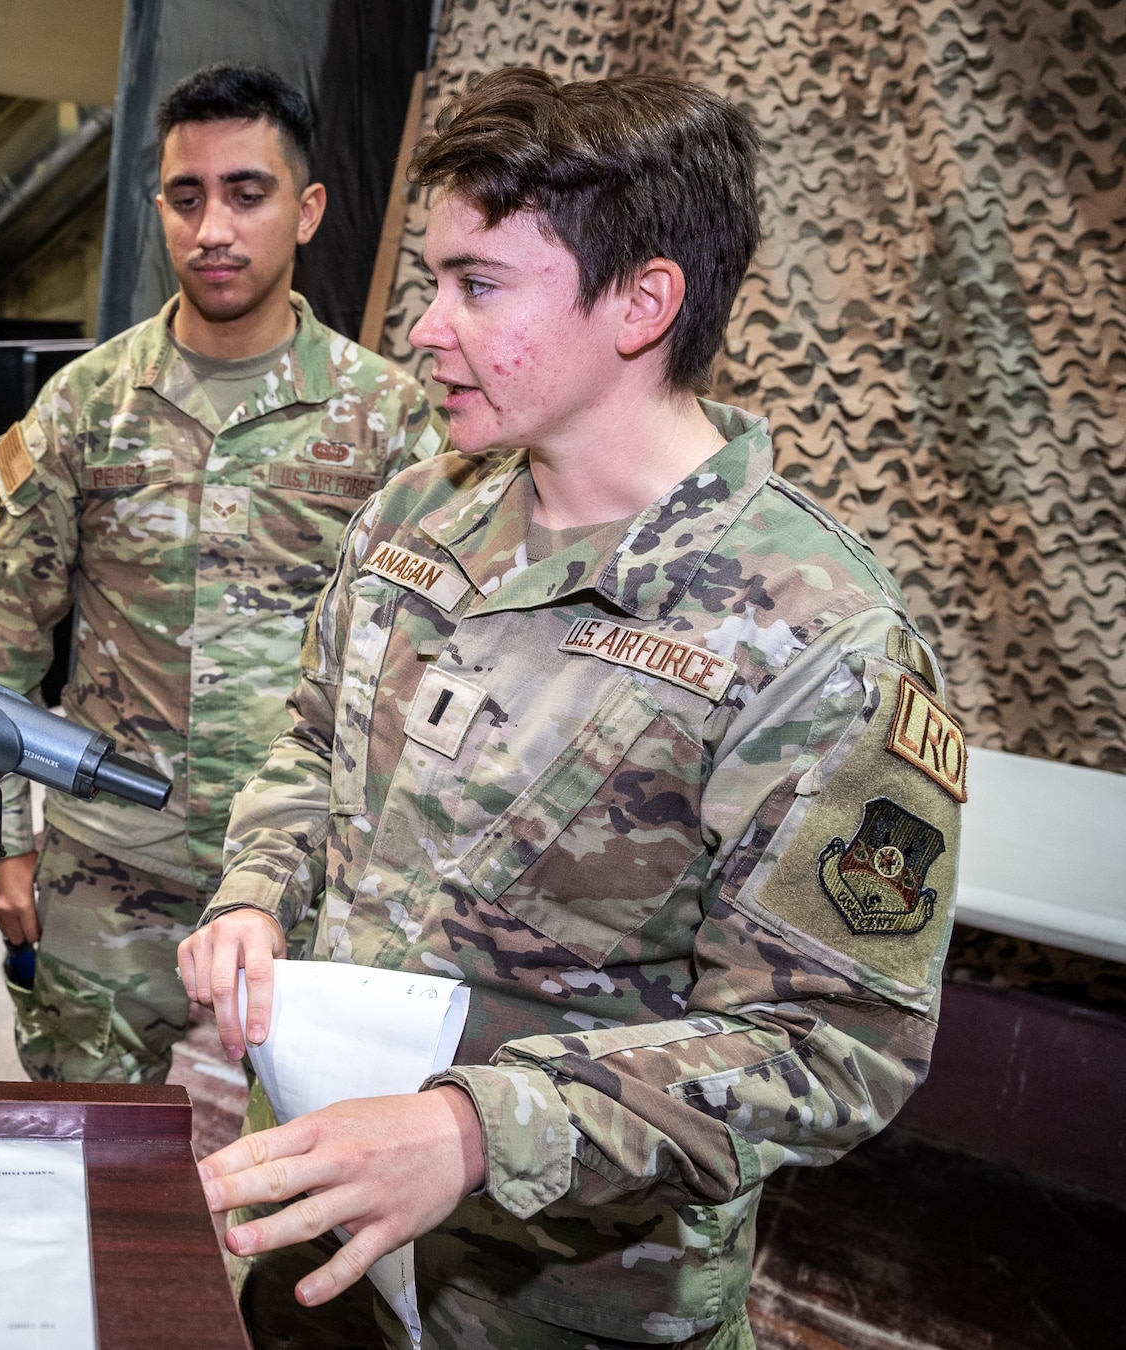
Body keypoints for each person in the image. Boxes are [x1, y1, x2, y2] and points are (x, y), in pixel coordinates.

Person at [178, 68, 965, 1349]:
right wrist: (254, 892)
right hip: (327, 1247)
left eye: (476, 286)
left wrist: (478, 1128)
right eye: (431, 282)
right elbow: (311, 746)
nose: (424, 330)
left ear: (642, 303)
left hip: (570, 1300)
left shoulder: (822, 640)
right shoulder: (412, 515)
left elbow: (835, 1042)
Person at [0, 63, 445, 1085]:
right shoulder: (87, 406)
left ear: (307, 209)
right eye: (186, 198)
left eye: (245, 192)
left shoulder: (390, 419)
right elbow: (2, 643)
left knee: (312, 1185)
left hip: (303, 875)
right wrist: (5, 844)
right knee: (79, 1164)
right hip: (105, 864)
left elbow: (420, 671)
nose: (211, 227)